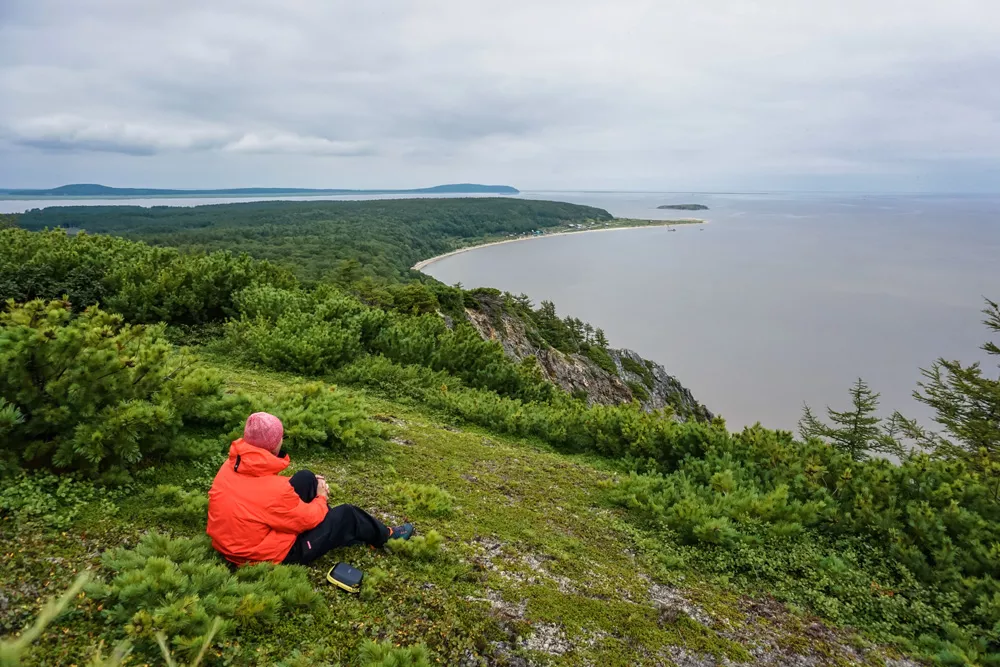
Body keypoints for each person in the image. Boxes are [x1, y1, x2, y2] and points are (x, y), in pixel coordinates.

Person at [207, 412, 414, 566]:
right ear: (273, 445)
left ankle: (342, 533)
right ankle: (385, 535)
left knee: (305, 478)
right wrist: (321, 497)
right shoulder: (275, 492)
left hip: (232, 543)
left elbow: (262, 494)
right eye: (281, 438)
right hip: (263, 555)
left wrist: (311, 486)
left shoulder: (228, 467)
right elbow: (307, 519)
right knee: (346, 514)